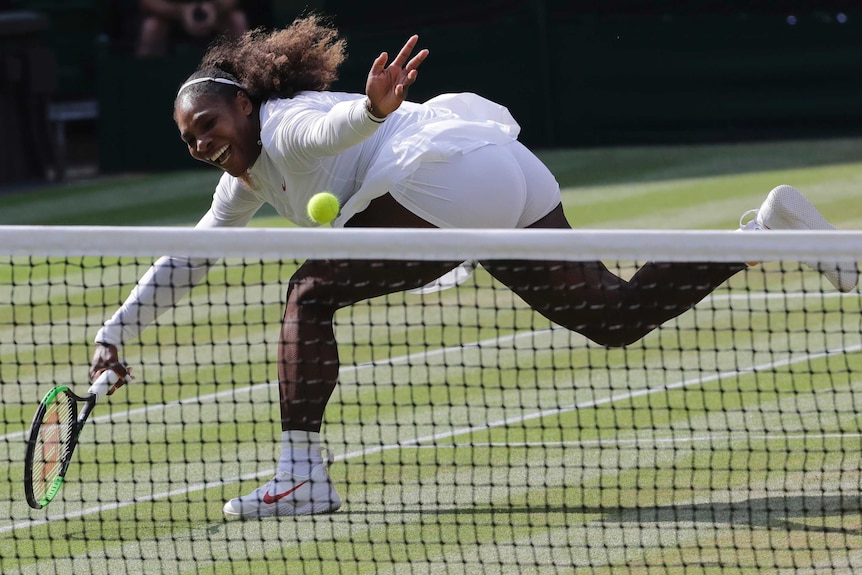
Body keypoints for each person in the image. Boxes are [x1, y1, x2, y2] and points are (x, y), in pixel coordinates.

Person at [89, 15, 858, 519]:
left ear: (247, 107)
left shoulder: (287, 130)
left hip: (443, 174)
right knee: (615, 317)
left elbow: (330, 131)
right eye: (188, 136)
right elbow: (191, 254)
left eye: (208, 124)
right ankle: (764, 231)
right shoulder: (242, 180)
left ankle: (300, 475)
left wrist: (372, 112)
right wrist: (116, 329)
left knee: (309, 291)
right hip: (502, 172)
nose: (198, 141)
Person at [136, 0, 248, 58]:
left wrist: (215, 8)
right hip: (170, 19)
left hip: (215, 17)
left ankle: (242, 79)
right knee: (152, 27)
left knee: (237, 20)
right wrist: (181, 11)